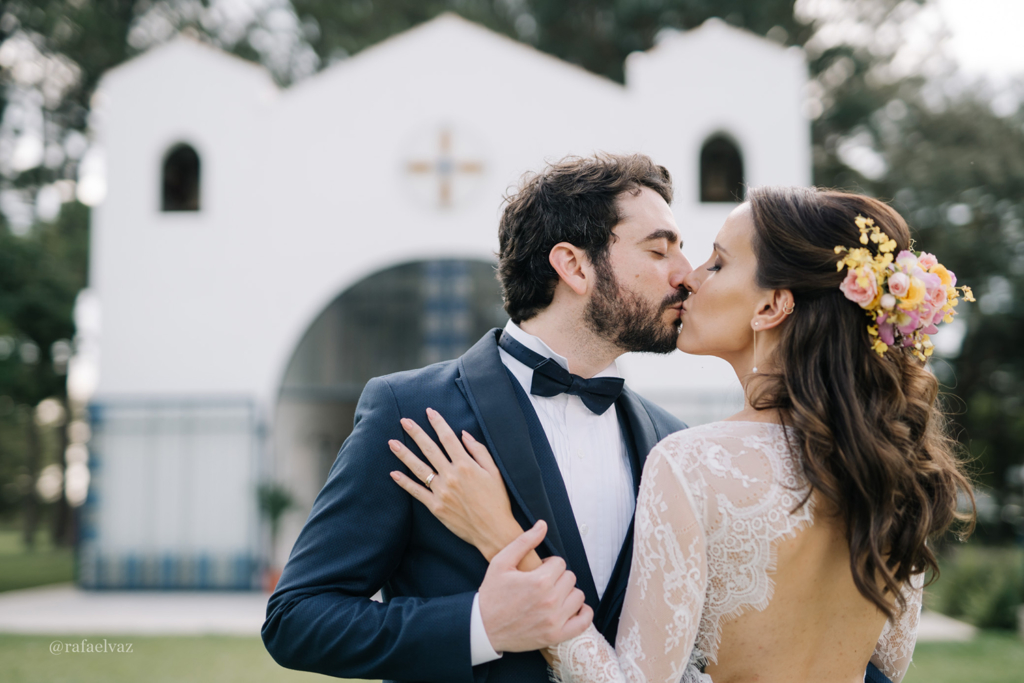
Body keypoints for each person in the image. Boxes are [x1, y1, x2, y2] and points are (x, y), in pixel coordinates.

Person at [388, 187, 976, 683]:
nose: (689, 279)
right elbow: (885, 669)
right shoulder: (897, 468)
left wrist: (502, 537)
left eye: (717, 262)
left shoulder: (693, 462)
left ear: (772, 305)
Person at [262, 153, 693, 683]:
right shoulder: (411, 411)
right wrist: (479, 626)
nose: (686, 276)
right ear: (574, 266)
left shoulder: (674, 442)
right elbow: (296, 619)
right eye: (659, 250)